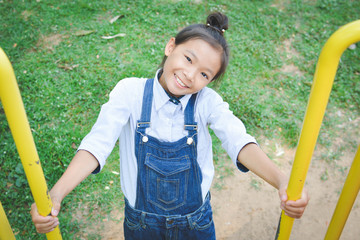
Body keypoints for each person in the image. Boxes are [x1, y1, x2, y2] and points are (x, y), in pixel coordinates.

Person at [30, 12, 309, 239]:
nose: (190, 76)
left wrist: (281, 180)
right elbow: (97, 144)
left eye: (204, 74)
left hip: (195, 223)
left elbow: (239, 141)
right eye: (188, 59)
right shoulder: (130, 93)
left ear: (209, 82)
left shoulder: (206, 103)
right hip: (141, 224)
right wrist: (56, 193)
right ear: (170, 46)